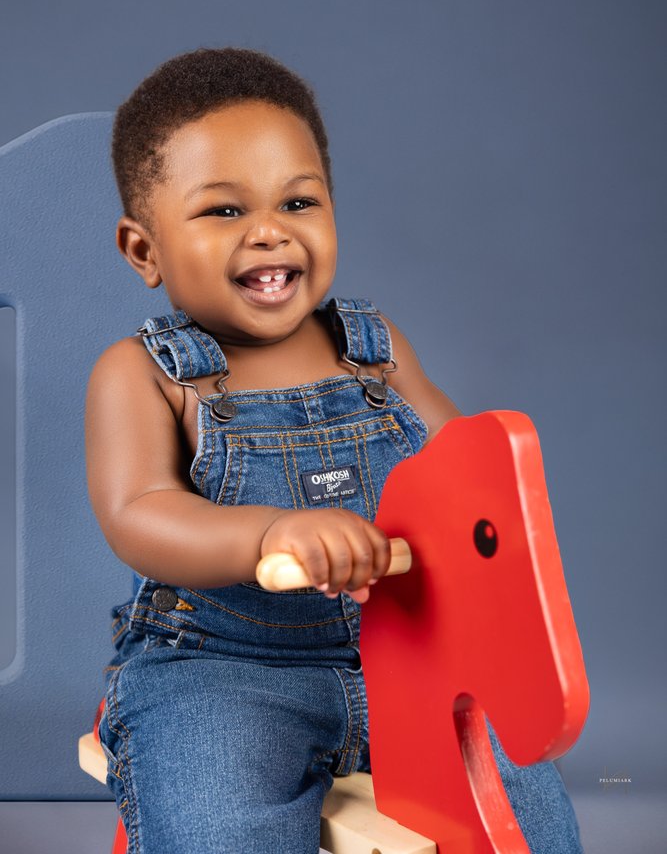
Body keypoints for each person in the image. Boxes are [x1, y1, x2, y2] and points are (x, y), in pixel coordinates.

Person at [87, 47, 583, 854]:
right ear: (144, 250)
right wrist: (270, 533)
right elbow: (138, 513)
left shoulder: (373, 351)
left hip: (409, 654)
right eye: (224, 211)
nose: (269, 231)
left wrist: (495, 506)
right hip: (222, 669)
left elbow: (458, 476)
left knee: (522, 814)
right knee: (215, 820)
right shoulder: (147, 373)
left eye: (298, 201)